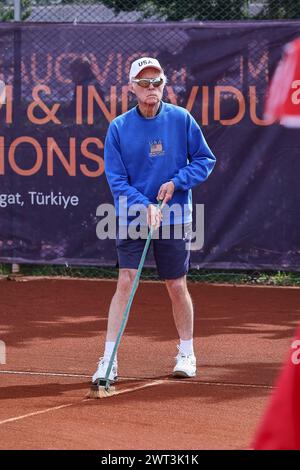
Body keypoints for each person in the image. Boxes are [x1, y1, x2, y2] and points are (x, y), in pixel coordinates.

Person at [92, 57, 216, 384]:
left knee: (176, 284)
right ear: (132, 88)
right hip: (133, 215)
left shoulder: (181, 119)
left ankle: (187, 352)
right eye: (144, 83)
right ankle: (108, 359)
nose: (152, 89)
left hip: (174, 215)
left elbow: (205, 159)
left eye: (157, 82)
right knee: (126, 280)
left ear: (164, 84)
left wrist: (177, 182)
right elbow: (116, 180)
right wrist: (144, 204)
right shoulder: (119, 127)